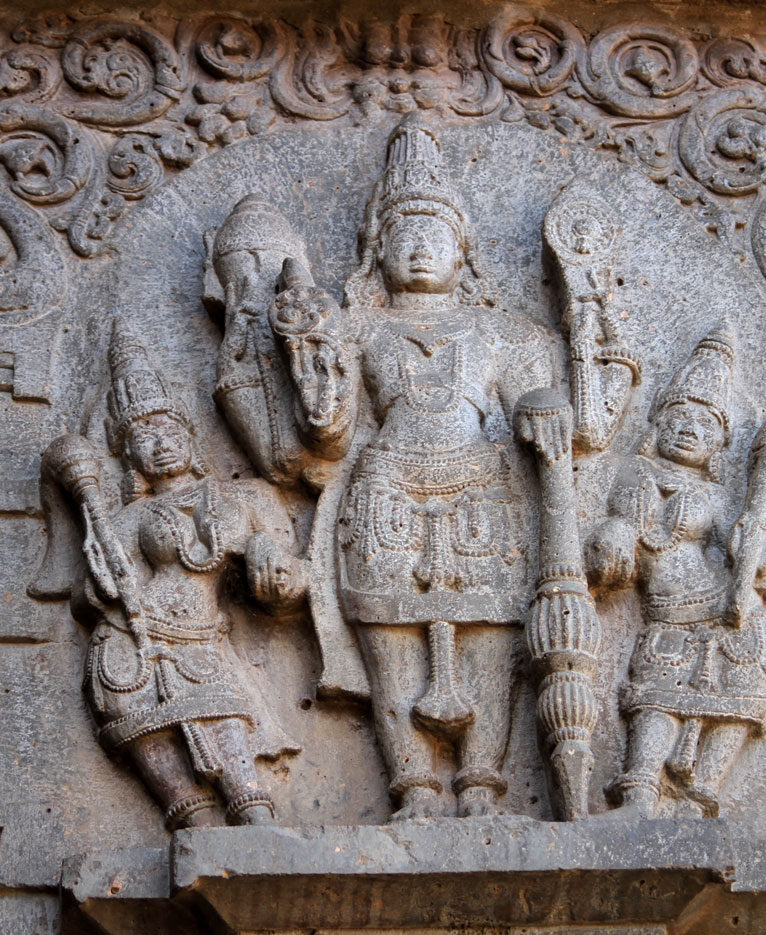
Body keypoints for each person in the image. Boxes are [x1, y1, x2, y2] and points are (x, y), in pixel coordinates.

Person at [268, 115, 565, 820]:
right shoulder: (358, 327)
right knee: (389, 634)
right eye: (405, 234)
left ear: (464, 249)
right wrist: (311, 354)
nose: (422, 246)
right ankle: (414, 786)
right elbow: (328, 431)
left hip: (483, 495)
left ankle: (484, 785)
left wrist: (547, 404)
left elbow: (535, 405)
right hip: (387, 492)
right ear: (379, 249)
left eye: (437, 234)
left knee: (493, 632)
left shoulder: (501, 332)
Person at [48, 320, 302, 830]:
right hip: (127, 651)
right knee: (187, 808)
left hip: (203, 645)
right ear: (127, 456)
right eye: (143, 436)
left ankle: (259, 838)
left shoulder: (243, 498)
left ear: (190, 435)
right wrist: (100, 546)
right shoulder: (127, 518)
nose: (161, 443)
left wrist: (269, 562)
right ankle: (194, 840)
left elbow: (286, 582)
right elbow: (90, 594)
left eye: (170, 430)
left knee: (246, 792)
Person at [584, 324, 766, 818]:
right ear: (657, 425)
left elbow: (743, 546)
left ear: (720, 443)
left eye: (706, 426)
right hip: (667, 613)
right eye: (680, 418)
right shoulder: (632, 476)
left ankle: (701, 793)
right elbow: (618, 548)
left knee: (740, 693)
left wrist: (757, 553)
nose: (691, 430)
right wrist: (613, 546)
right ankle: (640, 790)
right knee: (654, 699)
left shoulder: (713, 496)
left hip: (726, 604)